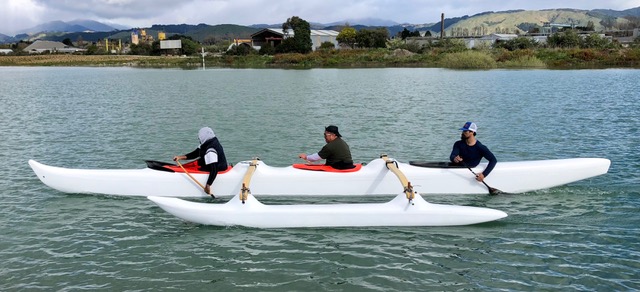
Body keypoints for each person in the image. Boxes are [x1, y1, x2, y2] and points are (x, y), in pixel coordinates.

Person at [173, 127, 228, 196]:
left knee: (198, 165)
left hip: (218, 167)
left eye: (199, 137)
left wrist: (208, 185)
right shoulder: (208, 142)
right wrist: (180, 157)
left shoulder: (210, 150)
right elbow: (196, 153)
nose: (199, 139)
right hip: (212, 164)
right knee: (198, 161)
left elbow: (214, 169)